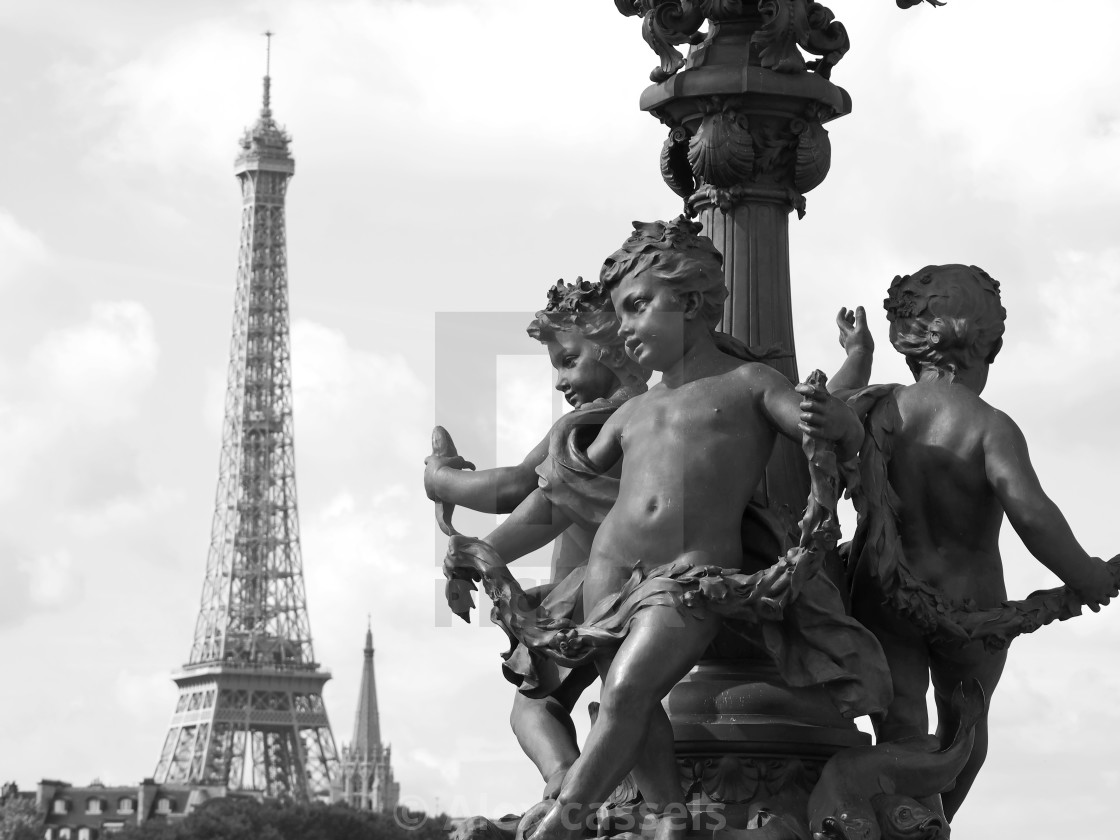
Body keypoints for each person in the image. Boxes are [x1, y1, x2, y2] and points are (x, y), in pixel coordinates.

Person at [454, 218, 875, 840]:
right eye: (620, 312)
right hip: (606, 575)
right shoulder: (631, 411)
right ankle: (669, 816)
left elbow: (826, 428)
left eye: (637, 306)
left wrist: (833, 418)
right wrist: (481, 549)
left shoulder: (749, 383)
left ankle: (566, 820)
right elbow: (556, 497)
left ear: (694, 302)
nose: (624, 327)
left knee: (625, 693)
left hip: (688, 580)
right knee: (632, 700)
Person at [845, 264, 1119, 821]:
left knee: (900, 726)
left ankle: (900, 820)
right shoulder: (990, 426)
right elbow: (1033, 515)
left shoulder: (879, 410)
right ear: (987, 345)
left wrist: (857, 355)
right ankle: (931, 824)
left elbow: (820, 422)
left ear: (909, 344)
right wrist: (1085, 575)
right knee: (963, 729)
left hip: (885, 594)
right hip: (974, 610)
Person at [425, 278, 649, 800]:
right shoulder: (652, 409)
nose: (559, 380)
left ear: (614, 347)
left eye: (568, 361)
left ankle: (565, 788)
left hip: (592, 594)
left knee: (533, 706)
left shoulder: (591, 426)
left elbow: (516, 490)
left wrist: (442, 481)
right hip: (629, 588)